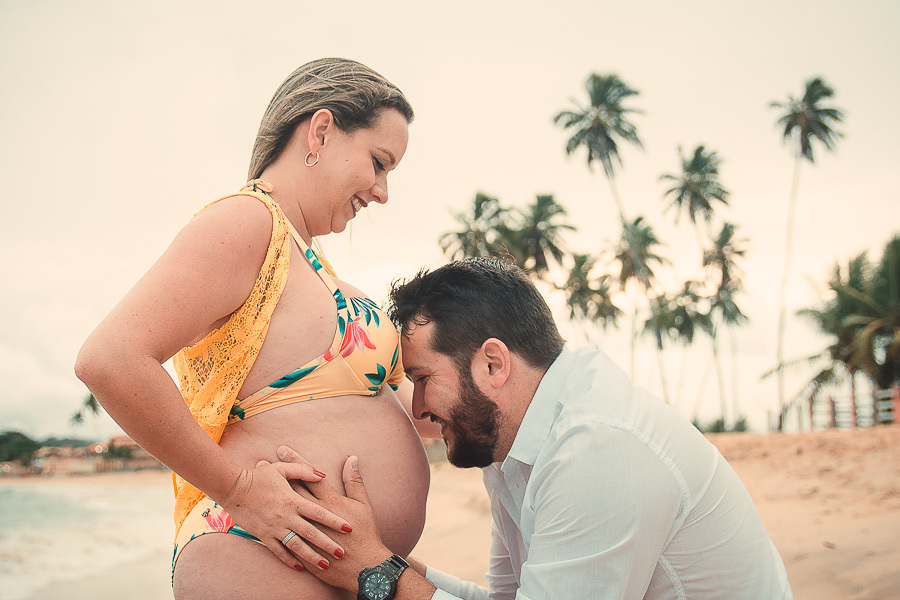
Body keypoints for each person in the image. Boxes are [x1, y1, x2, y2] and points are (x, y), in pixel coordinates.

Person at [74, 58, 441, 600]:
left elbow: (415, 412)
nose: (383, 191)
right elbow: (110, 358)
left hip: (328, 565)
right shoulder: (248, 221)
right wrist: (240, 490)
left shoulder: (308, 259)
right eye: (378, 162)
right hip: (256, 556)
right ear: (321, 131)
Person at [278, 257, 794, 599]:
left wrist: (377, 576)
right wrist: (385, 560)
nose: (417, 410)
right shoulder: (515, 446)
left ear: (494, 365)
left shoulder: (598, 450)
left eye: (422, 379)